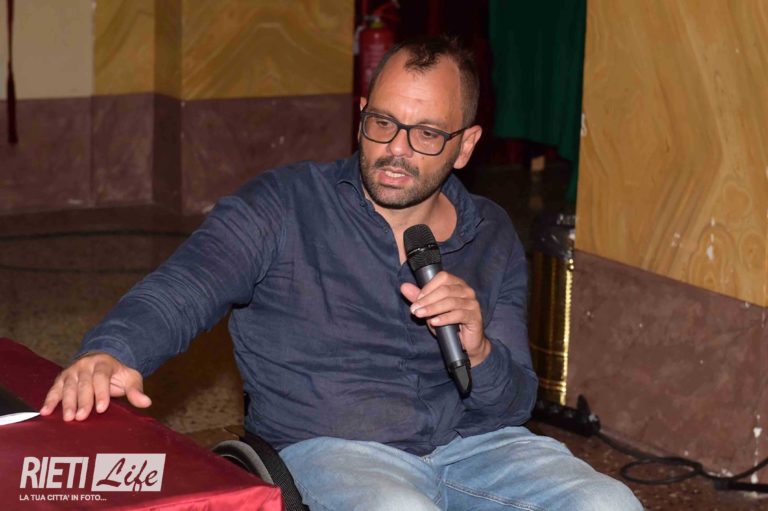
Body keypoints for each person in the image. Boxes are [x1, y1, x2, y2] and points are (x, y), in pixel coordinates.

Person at [41, 36, 642, 510]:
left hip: (476, 448)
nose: (396, 149)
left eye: (427, 134)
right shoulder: (284, 205)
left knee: (608, 503)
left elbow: (513, 403)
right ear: (360, 117)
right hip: (336, 449)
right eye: (382, 123)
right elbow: (185, 287)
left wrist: (481, 351)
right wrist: (113, 352)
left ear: (465, 145)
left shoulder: (490, 233)